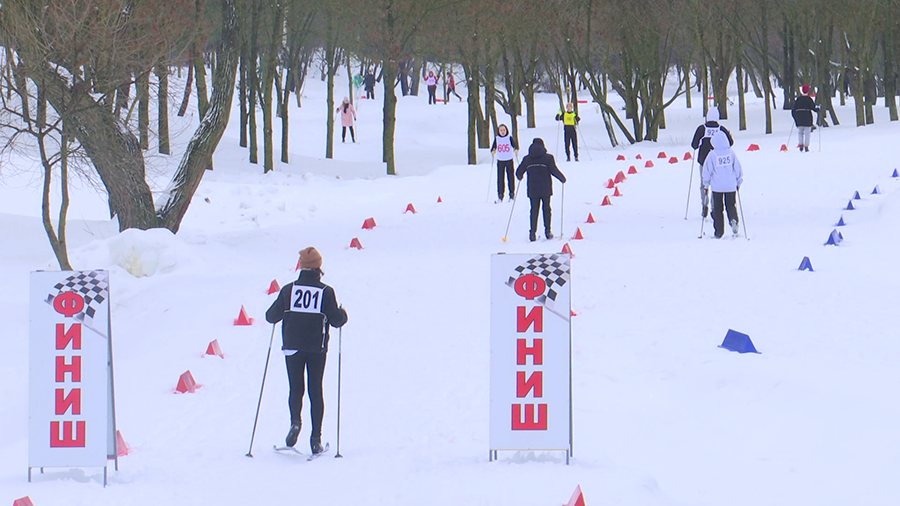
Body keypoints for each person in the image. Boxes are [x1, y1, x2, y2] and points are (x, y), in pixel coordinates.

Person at [266, 247, 348, 455]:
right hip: (316, 348)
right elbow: (337, 320)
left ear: (301, 266)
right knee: (315, 390)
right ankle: (315, 439)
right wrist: (343, 314)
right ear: (319, 267)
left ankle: (295, 423)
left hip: (292, 346)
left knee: (295, 388)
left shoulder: (288, 290)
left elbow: (271, 316)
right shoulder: (325, 292)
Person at [516, 138, 567, 242]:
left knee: (534, 210)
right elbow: (554, 170)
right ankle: (548, 231)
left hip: (532, 188)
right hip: (545, 188)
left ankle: (532, 233)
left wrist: (520, 176)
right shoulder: (548, 158)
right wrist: (562, 178)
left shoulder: (527, 159)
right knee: (546, 209)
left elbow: (519, 172)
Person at [691, 108, 733, 218]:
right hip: (717, 162)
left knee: (704, 184)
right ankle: (715, 207)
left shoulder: (702, 128)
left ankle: (704, 204)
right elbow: (730, 143)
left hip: (703, 161)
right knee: (716, 184)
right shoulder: (721, 129)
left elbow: (694, 145)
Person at [701, 131, 744, 239]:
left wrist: (706, 185)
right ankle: (733, 219)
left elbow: (707, 171)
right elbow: (737, 168)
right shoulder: (731, 153)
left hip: (717, 187)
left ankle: (719, 232)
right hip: (730, 186)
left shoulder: (712, 154)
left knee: (718, 209)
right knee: (731, 205)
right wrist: (739, 181)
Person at [490, 124, 518, 202]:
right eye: (501, 130)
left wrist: (516, 150)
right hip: (500, 160)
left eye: (504, 130)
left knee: (511, 177)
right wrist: (493, 151)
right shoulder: (497, 138)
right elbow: (493, 148)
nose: (502, 132)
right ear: (498, 131)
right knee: (500, 178)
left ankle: (512, 194)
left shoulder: (509, 138)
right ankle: (500, 195)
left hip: (509, 159)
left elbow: (515, 146)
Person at [792, 84, 819, 152]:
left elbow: (793, 109)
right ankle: (806, 146)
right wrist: (819, 109)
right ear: (808, 91)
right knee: (807, 133)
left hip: (799, 118)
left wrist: (795, 118)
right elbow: (813, 108)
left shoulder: (798, 99)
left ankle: (801, 145)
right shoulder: (809, 99)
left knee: (800, 132)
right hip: (807, 118)